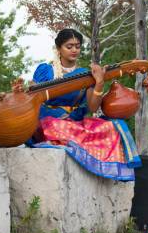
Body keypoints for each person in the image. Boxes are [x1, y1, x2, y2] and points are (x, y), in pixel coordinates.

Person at [27, 28, 140, 181]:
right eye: (69, 46)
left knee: (112, 126)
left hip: (73, 121)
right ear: (59, 48)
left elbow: (93, 107)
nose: (74, 50)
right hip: (48, 121)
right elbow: (32, 98)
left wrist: (99, 82)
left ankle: (108, 168)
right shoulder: (45, 70)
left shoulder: (85, 74)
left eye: (78, 46)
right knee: (53, 126)